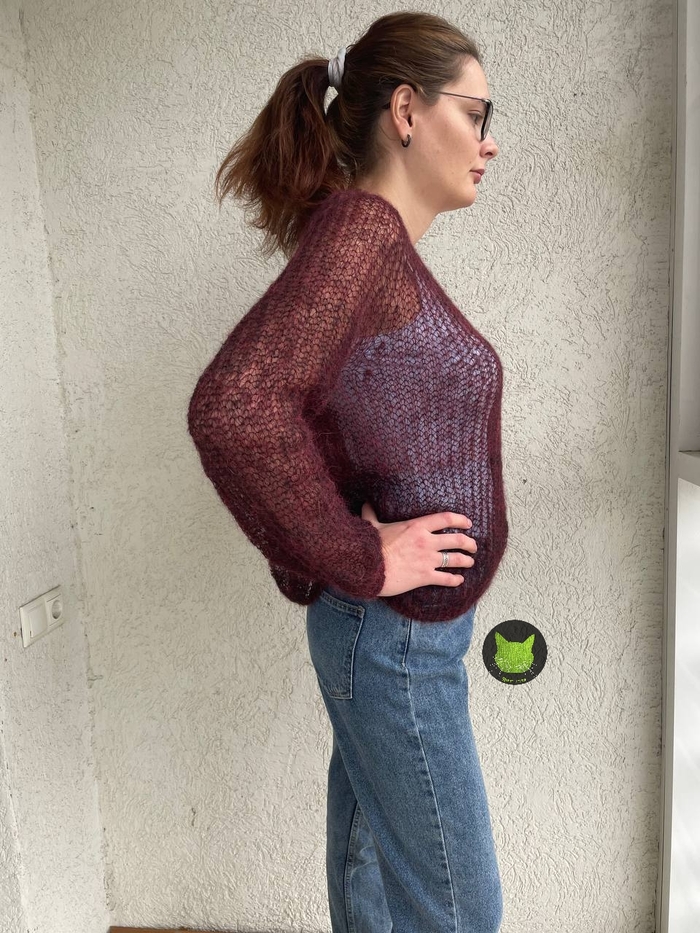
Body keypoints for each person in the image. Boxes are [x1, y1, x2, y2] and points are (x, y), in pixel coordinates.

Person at [187, 11, 507, 932]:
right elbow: (237, 407)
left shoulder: (372, 245)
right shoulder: (363, 234)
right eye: (477, 114)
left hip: (391, 637)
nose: (490, 142)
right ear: (407, 111)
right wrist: (362, 557)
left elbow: (319, 414)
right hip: (394, 640)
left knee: (374, 886)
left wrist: (339, 537)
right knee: (460, 910)